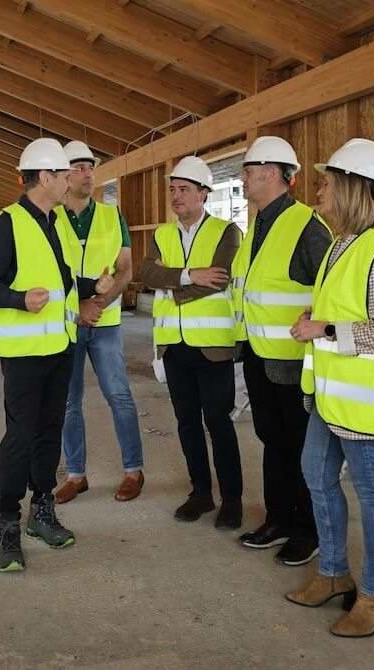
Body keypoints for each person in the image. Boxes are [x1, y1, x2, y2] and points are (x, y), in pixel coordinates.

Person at [285, 138, 374, 637]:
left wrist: (322, 330)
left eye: (326, 183)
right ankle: (332, 573)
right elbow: (348, 313)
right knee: (315, 474)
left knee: (372, 493)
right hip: (334, 395)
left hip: (365, 401)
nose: (318, 192)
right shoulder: (342, 245)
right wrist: (318, 320)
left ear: (352, 188)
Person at [0, 138, 84, 573]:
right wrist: (19, 300)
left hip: (59, 347)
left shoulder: (58, 222)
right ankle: (7, 525)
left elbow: (65, 282)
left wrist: (97, 291)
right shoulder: (9, 224)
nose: (70, 179)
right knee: (19, 436)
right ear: (45, 177)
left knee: (48, 432)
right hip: (23, 353)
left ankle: (42, 510)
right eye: (63, 173)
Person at [230, 136, 332, 567]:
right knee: (272, 439)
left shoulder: (308, 227)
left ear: (272, 174)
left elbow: (329, 291)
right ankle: (278, 518)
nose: (244, 179)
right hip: (259, 353)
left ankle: (307, 529)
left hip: (292, 358)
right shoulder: (259, 224)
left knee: (299, 444)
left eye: (248, 172)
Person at [139, 156, 244, 528]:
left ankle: (232, 499)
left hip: (213, 345)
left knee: (218, 421)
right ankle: (201, 493)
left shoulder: (227, 232)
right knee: (186, 422)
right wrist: (187, 274)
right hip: (173, 344)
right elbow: (145, 272)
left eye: (184, 189)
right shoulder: (162, 234)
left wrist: (173, 282)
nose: (176, 196)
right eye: (172, 190)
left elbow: (219, 278)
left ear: (203, 194)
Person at [52, 141, 146, 505]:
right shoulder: (51, 218)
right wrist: (79, 306)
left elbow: (125, 269)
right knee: (67, 402)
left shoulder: (111, 215)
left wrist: (98, 304)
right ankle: (76, 475)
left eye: (91, 167)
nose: (88, 174)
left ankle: (133, 470)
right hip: (67, 323)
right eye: (78, 167)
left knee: (119, 395)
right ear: (63, 174)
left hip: (104, 322)